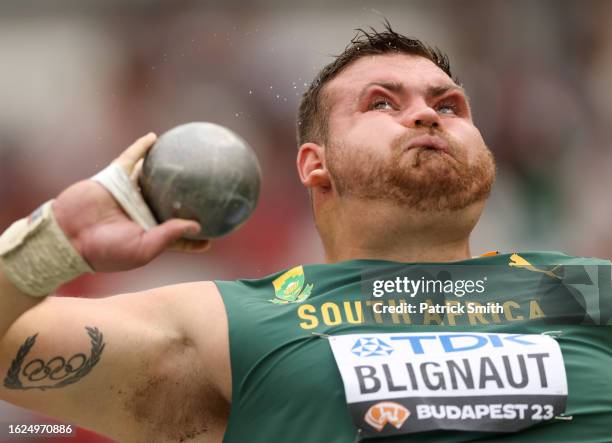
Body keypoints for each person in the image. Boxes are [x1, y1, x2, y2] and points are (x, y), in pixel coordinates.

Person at [1, 24, 610, 443]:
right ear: (314, 164)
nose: (427, 113)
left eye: (449, 106)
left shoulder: (589, 288)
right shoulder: (233, 326)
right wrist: (53, 241)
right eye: (381, 103)